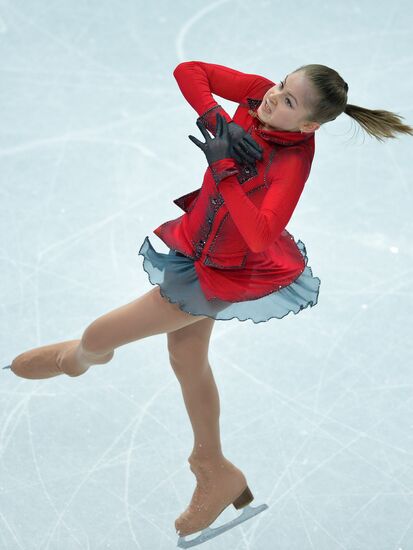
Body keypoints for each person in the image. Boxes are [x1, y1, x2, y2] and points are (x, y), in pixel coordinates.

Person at [3, 60, 412, 547]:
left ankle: (77, 359)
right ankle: (214, 468)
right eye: (281, 84)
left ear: (308, 126)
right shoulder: (256, 98)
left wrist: (224, 169)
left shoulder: (292, 163)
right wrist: (215, 116)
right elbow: (189, 69)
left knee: (101, 334)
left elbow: (261, 235)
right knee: (186, 357)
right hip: (194, 245)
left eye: (287, 100)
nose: (271, 96)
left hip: (221, 272)